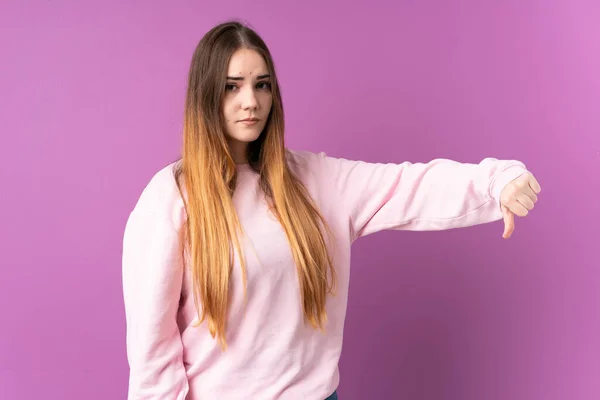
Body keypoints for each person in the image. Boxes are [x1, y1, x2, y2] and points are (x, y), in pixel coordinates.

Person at [121, 20, 541, 400]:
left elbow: (411, 185)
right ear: (206, 93)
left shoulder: (316, 180)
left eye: (262, 85)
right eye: (233, 86)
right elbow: (152, 353)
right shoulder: (170, 198)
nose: (250, 101)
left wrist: (497, 181)